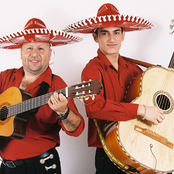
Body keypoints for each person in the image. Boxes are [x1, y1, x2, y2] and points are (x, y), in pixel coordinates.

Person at [63, 3, 169, 174]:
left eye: (116, 32)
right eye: (105, 33)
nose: (111, 39)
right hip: (109, 153)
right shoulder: (91, 70)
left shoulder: (134, 69)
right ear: (95, 38)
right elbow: (95, 108)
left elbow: (150, 100)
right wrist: (141, 110)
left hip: (139, 146)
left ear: (123, 35)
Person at [0, 18, 85, 174]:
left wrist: (64, 112)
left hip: (41, 167)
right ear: (21, 52)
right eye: (29, 48)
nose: (34, 54)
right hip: (6, 168)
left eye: (41, 48)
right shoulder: (6, 77)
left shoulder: (57, 85)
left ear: (49, 53)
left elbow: (77, 129)